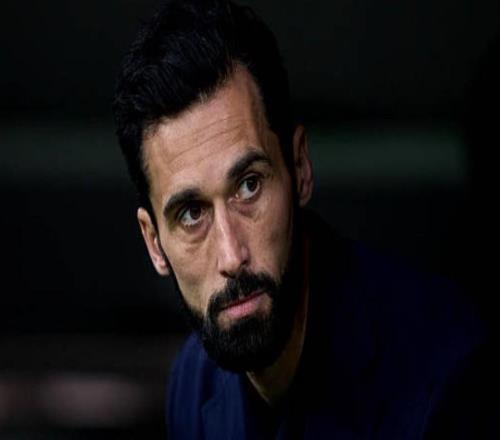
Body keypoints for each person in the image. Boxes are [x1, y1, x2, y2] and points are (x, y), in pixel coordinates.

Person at [112, 0, 497, 438]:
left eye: (249, 186)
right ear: (154, 242)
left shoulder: (447, 376)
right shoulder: (192, 385)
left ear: (299, 168)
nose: (231, 255)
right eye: (192, 213)